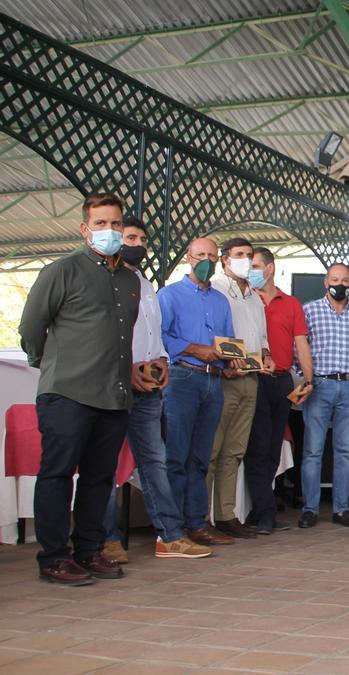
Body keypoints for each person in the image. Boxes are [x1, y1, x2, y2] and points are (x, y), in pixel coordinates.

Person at [18, 194, 139, 585]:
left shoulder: (129, 280)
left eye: (116, 224)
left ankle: (88, 550)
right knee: (56, 474)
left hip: (114, 394)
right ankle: (53, 557)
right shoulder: (61, 271)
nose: (109, 231)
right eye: (101, 224)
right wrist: (50, 364)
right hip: (67, 392)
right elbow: (31, 329)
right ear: (85, 229)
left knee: (99, 478)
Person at [100, 217, 212, 563]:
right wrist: (126, 367)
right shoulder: (104, 280)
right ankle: (105, 539)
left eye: (143, 239)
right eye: (131, 237)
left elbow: (154, 331)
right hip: (113, 383)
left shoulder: (145, 284)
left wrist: (162, 359)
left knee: (154, 462)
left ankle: (170, 535)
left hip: (149, 384)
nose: (138, 243)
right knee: (104, 464)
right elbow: (101, 332)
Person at [159, 237, 237, 547]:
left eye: (211, 256)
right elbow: (161, 336)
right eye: (200, 255)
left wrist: (232, 361)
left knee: (201, 457)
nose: (206, 260)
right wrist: (193, 348)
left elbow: (228, 341)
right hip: (182, 378)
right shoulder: (168, 295)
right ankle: (173, 527)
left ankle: (196, 522)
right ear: (188, 259)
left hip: (213, 381)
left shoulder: (220, 300)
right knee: (176, 455)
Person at [244, 246, 313, 535]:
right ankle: (262, 513)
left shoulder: (291, 303)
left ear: (270, 268)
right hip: (255, 378)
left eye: (255, 266)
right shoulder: (246, 301)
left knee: (274, 446)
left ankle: (266, 508)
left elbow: (301, 344)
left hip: (283, 380)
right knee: (258, 447)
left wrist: (308, 380)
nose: (251, 272)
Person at [299, 263, 349, 528]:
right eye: (334, 279)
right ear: (325, 281)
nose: (339, 284)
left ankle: (342, 508)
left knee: (345, 451)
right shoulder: (309, 310)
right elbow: (300, 348)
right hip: (319, 385)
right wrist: (306, 378)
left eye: (344, 279)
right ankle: (310, 509)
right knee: (313, 451)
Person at [207, 238, 271, 539]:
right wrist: (232, 361)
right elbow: (217, 334)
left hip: (251, 378)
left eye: (249, 255)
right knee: (213, 450)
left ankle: (226, 514)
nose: (245, 260)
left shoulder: (255, 297)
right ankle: (201, 517)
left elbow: (261, 338)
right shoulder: (216, 290)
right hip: (225, 378)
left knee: (234, 451)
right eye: (239, 255)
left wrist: (266, 356)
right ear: (224, 259)